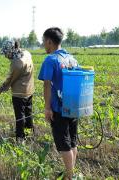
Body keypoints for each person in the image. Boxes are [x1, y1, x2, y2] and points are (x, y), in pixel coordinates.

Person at [38, 27, 79, 179]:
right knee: (72, 142)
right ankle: (71, 172)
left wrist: (47, 108)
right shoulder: (71, 58)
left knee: (64, 145)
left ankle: (69, 176)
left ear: (49, 41)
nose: (43, 45)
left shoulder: (51, 60)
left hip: (59, 109)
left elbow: (47, 85)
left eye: (44, 42)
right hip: (73, 106)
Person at [0, 40, 35, 142]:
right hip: (30, 89)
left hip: (19, 93)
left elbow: (10, 79)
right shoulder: (26, 53)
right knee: (28, 112)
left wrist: (0, 89)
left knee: (20, 116)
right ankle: (30, 132)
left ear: (11, 50)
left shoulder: (16, 63)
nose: (5, 55)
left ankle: (20, 138)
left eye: (6, 52)